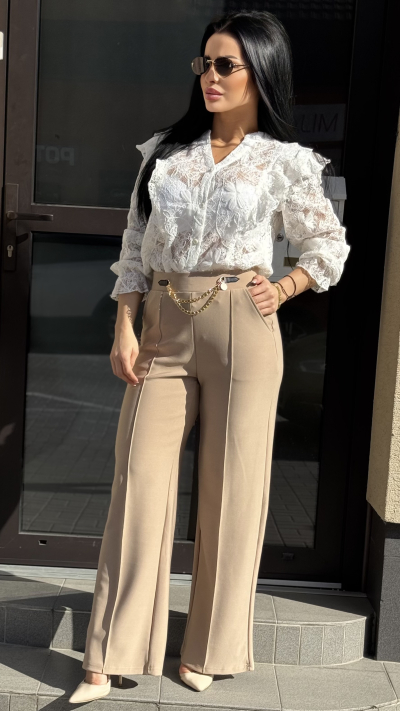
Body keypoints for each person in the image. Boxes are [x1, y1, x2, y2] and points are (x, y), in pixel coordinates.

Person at [69, 9, 351, 702]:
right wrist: (124, 326)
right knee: (138, 479)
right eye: (204, 63)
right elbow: (134, 247)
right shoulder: (167, 153)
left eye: (226, 65)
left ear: (262, 73)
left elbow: (328, 246)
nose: (210, 76)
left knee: (235, 491)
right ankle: (108, 653)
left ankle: (209, 649)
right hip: (165, 322)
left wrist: (283, 286)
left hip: (243, 324)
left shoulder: (283, 161)